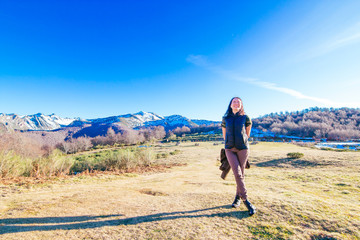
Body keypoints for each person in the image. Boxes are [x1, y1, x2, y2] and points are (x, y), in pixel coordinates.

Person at [221, 97, 256, 216]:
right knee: (237, 173)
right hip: (229, 149)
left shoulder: (245, 118)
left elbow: (247, 134)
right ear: (230, 105)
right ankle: (246, 201)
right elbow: (224, 135)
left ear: (241, 105)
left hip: (243, 149)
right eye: (234, 101)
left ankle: (237, 198)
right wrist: (229, 144)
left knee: (241, 174)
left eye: (238, 102)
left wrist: (241, 142)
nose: (236, 103)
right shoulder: (225, 119)